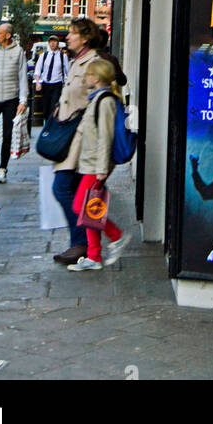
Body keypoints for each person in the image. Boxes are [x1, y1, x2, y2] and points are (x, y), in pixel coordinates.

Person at [68, 58, 131, 271]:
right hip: (90, 164)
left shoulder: (105, 101)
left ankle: (117, 236)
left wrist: (102, 169)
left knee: (81, 207)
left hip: (96, 166)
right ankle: (94, 257)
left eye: (88, 74)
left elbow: (106, 137)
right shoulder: (97, 99)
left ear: (96, 77)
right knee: (91, 208)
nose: (85, 78)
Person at [51, 17, 100, 265]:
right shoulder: (76, 61)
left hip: (83, 140)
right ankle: (84, 243)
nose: (67, 37)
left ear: (85, 38)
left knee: (62, 188)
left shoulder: (94, 63)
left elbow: (100, 103)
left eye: (72, 33)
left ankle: (81, 242)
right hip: (70, 137)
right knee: (80, 192)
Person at [0, 22, 28, 184]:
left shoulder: (18, 52)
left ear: (8, 36)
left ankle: (3, 168)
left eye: (0, 33)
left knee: (8, 134)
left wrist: (23, 100)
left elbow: (23, 77)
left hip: (11, 98)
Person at [34, 35, 68, 121]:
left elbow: (67, 71)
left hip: (57, 84)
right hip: (46, 84)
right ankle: (46, 125)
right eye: (51, 42)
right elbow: (38, 70)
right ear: (49, 43)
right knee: (45, 107)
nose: (52, 43)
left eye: (54, 41)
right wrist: (38, 82)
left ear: (58, 43)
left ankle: (51, 126)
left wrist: (66, 85)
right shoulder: (44, 55)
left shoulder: (62, 56)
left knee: (54, 107)